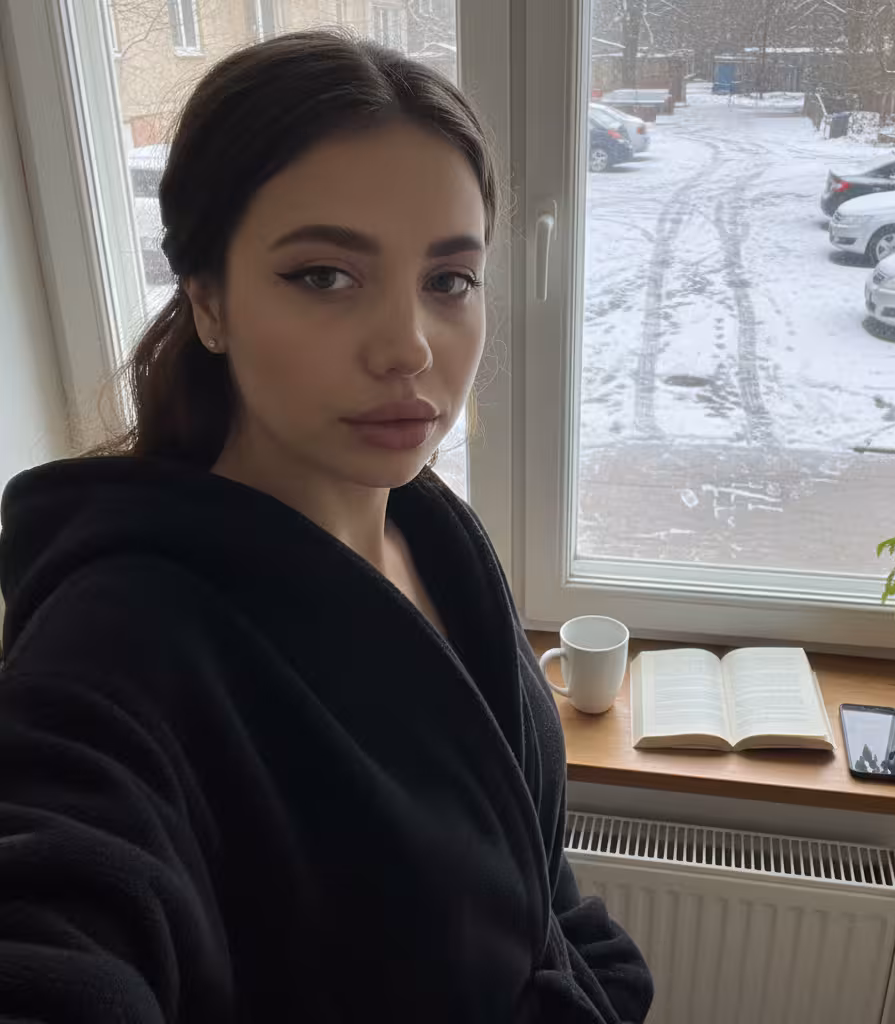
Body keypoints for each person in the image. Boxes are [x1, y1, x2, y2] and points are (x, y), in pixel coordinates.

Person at [0, 31, 653, 1023]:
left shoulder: (437, 535)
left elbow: (524, 864)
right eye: (323, 276)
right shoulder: (118, 644)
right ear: (208, 300)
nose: (408, 347)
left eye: (449, 280)